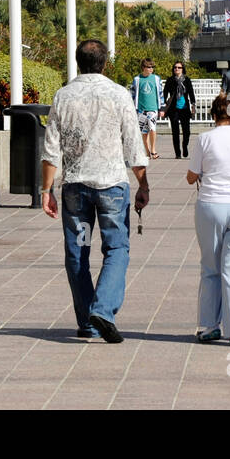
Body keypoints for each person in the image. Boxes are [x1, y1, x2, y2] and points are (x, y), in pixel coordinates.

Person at [43, 39, 151, 343]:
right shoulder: (118, 94)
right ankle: (102, 310)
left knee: (78, 251)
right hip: (112, 189)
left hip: (76, 190)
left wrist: (46, 189)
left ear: (78, 62)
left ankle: (88, 321)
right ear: (104, 63)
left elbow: (51, 150)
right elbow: (133, 145)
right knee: (116, 248)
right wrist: (143, 184)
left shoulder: (63, 96)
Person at [186, 92, 230, 345]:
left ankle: (208, 326)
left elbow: (191, 176)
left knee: (211, 267)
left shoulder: (205, 138)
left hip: (210, 206)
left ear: (214, 114)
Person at [160, 62, 195, 158]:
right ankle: (178, 153)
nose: (177, 69)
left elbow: (191, 92)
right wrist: (163, 107)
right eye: (175, 67)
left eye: (179, 67)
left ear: (182, 69)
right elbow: (165, 93)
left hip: (185, 109)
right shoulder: (170, 80)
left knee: (186, 131)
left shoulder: (186, 80)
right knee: (175, 132)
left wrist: (193, 104)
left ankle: (185, 146)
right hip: (173, 109)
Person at [130, 58, 163, 158]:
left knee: (152, 128)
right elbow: (132, 94)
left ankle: (153, 150)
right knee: (144, 132)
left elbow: (161, 93)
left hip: (153, 108)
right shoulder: (137, 79)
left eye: (152, 67)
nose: (151, 69)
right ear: (143, 67)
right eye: (149, 67)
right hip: (141, 109)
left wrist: (162, 108)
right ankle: (147, 151)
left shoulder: (156, 79)